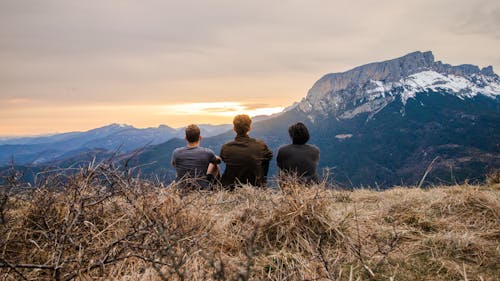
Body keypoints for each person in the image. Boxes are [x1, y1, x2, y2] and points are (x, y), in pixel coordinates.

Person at [220, 114, 273, 189]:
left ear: (234, 128)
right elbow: (269, 156)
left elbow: (224, 158)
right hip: (254, 186)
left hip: (230, 187)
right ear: (249, 128)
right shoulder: (260, 145)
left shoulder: (226, 148)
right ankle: (262, 182)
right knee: (264, 160)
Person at [171, 124, 220, 189]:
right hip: (201, 188)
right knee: (215, 165)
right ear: (200, 137)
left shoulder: (176, 152)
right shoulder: (207, 152)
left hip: (182, 188)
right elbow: (218, 161)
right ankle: (216, 187)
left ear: (186, 138)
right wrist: (214, 157)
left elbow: (174, 164)